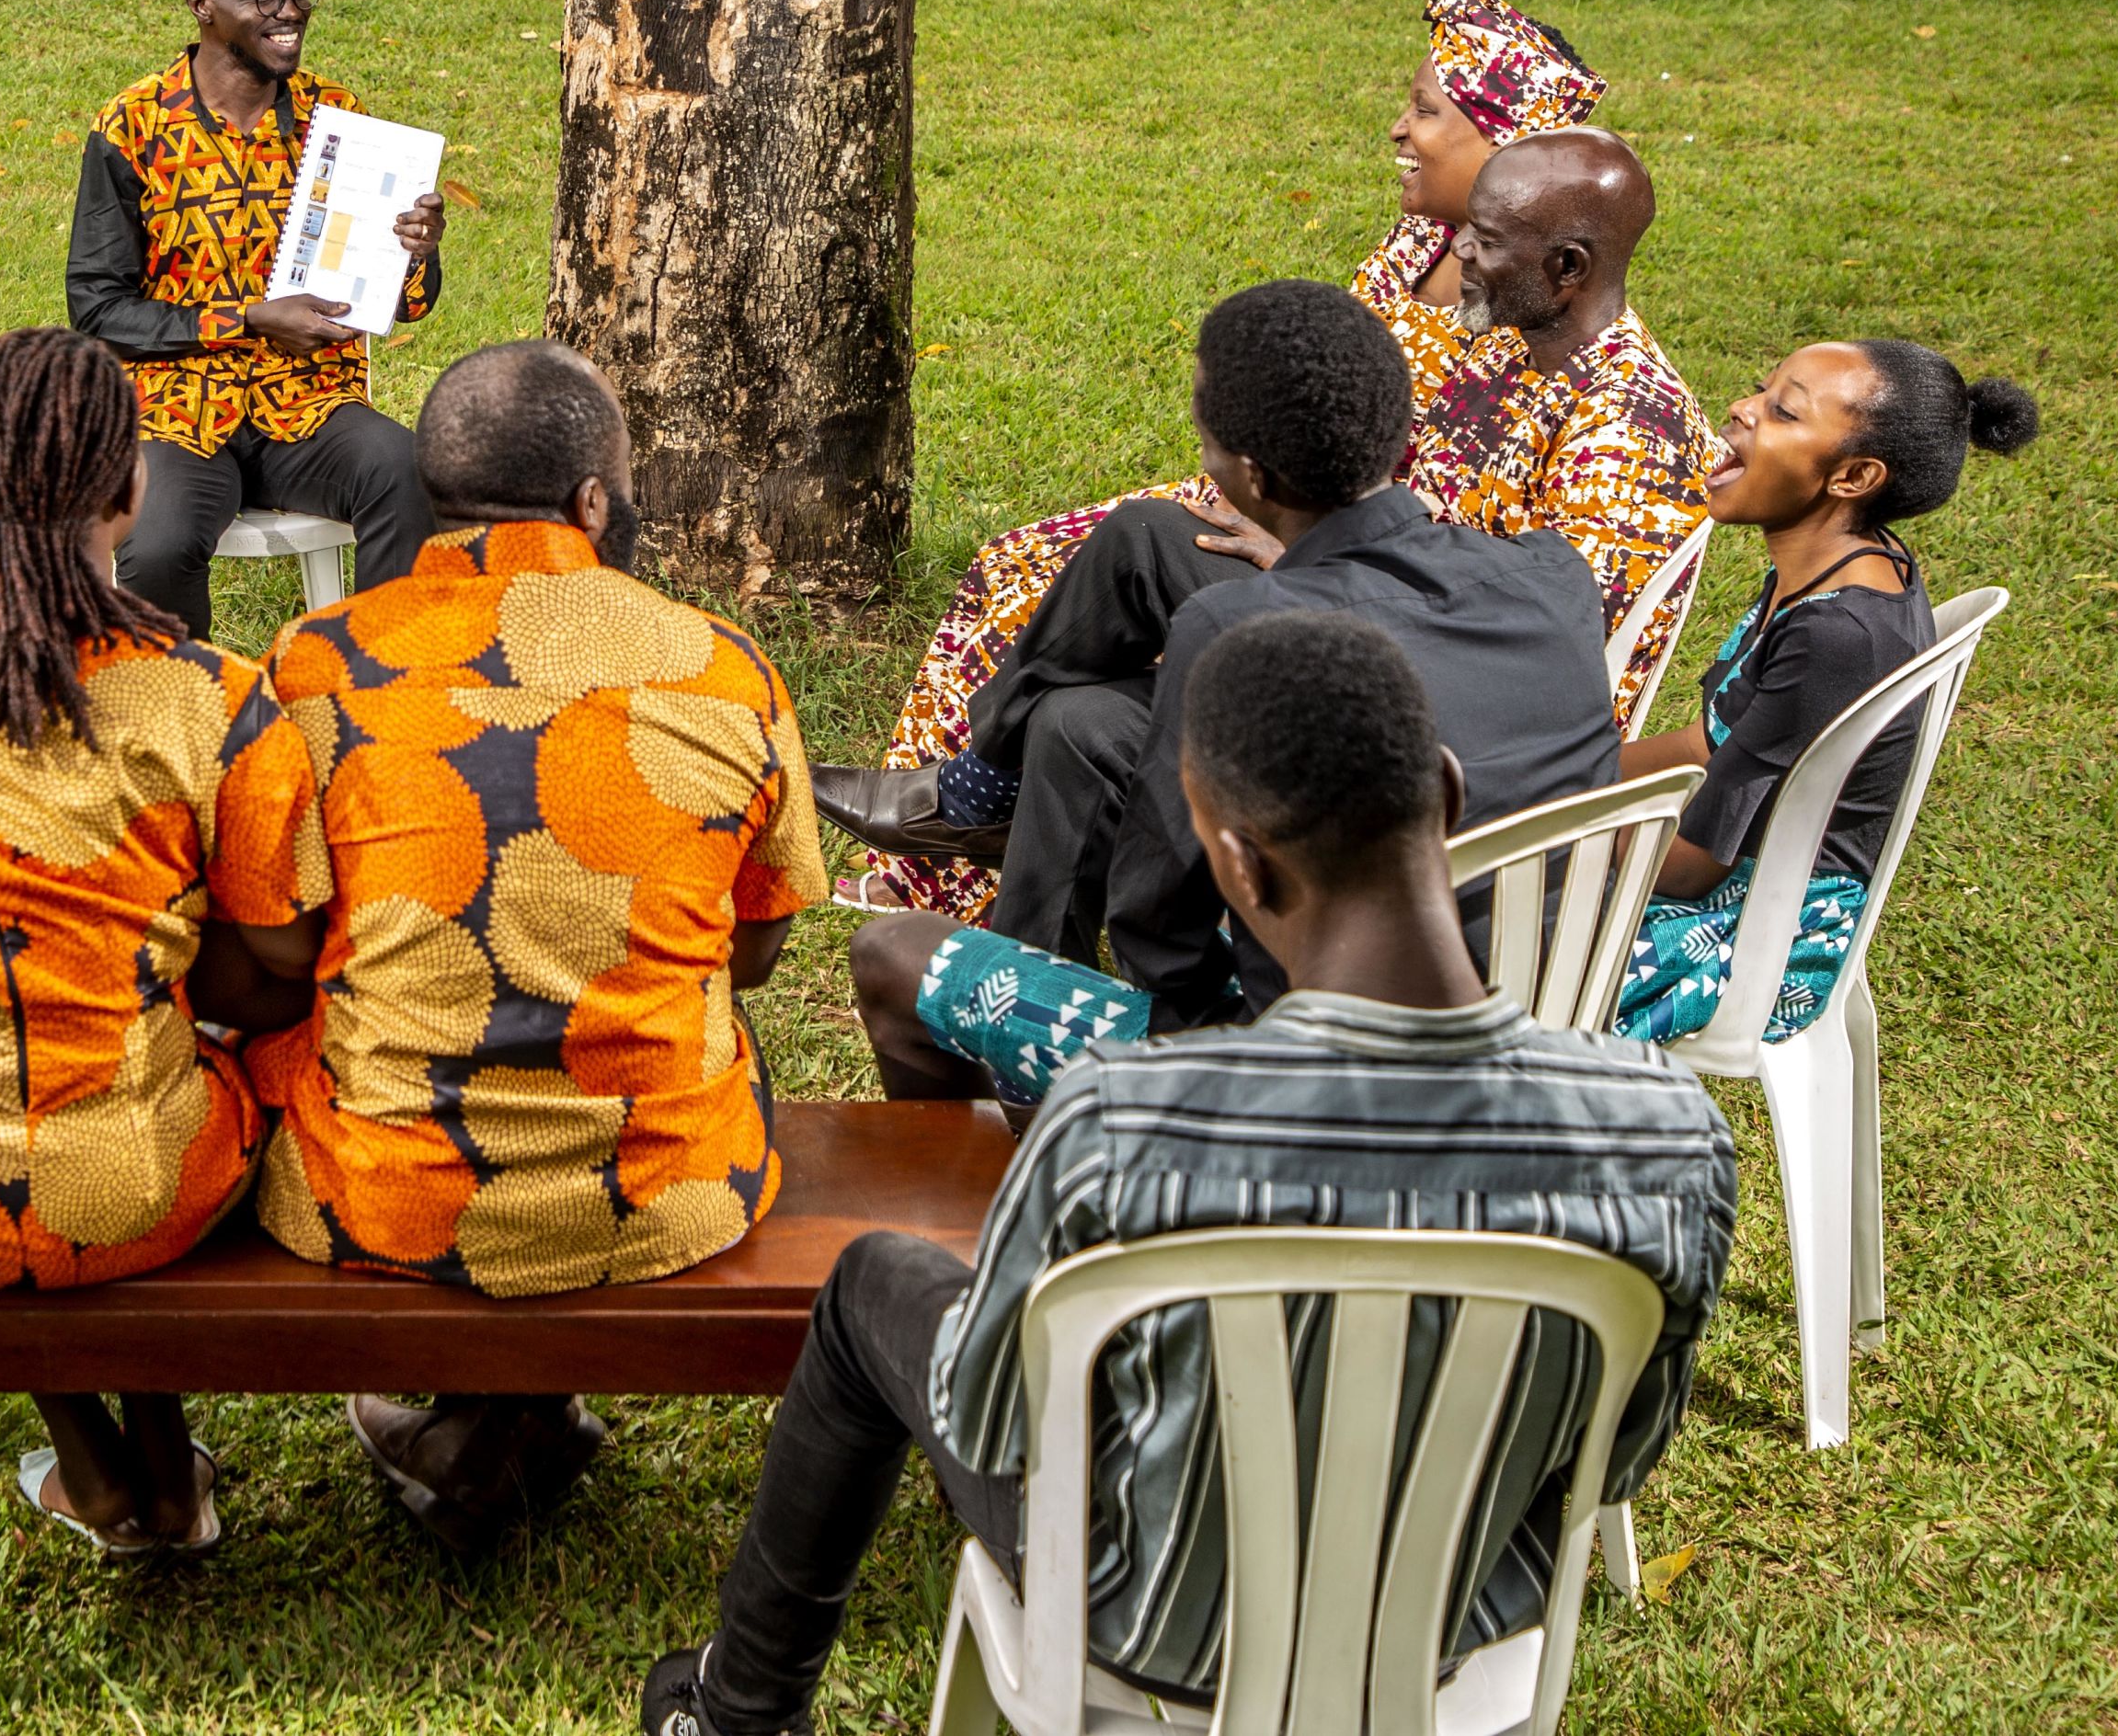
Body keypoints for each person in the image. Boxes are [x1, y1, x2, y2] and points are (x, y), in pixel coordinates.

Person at [636, 611, 1739, 1736]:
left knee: (875, 1279)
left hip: (1142, 1622)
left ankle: (738, 1713)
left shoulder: (1122, 1121)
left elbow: (992, 1417)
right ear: (1449, 798)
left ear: (1235, 863)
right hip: (1452, 1630)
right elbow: (1607, 1464)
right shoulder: (1666, 1134)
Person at [237, 339, 830, 1547]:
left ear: (433, 484)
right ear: (593, 501)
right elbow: (752, 951)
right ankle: (502, 1426)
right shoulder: (725, 666)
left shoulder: (315, 664)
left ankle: (486, 1432)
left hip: (388, 1189)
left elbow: (279, 945)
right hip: (664, 1183)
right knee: (676, 1016)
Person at [852, 0, 1606, 918]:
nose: (1397, 130)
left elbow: (1526, 594)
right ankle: (956, 841)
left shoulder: (1543, 332)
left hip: (1355, 568)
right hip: (1293, 497)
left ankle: (963, 831)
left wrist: (1302, 546)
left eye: (1425, 110)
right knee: (1021, 569)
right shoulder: (1419, 243)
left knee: (1114, 578)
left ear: (1505, 150)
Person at [0, 327, 325, 1557]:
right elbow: (286, 953)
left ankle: (102, 1470)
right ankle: (162, 1471)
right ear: (132, 489)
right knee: (198, 1064)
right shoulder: (217, 699)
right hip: (147, 1192)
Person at [845, 281, 1620, 1112]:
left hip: (1286, 1076)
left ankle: (1030, 1145)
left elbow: (1156, 926)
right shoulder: (1554, 576)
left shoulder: (1233, 624)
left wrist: (1196, 1016)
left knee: (894, 951)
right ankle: (1014, 918)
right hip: (1534, 1014)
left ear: (1251, 475)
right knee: (1079, 721)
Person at [1613, 341, 2036, 1044]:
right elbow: (1706, 741)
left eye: (1782, 411)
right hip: (1733, 886)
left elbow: (1689, 867)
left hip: (1763, 934)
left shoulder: (1837, 637)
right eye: (1760, 390)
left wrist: (1542, 833)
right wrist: (1554, 772)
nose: (1741, 410)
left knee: (1452, 921)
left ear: (1854, 476)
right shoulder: (1830, 565)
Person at [67, 0, 447, 644]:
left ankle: (383, 688)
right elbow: (98, 308)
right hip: (177, 413)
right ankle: (188, 722)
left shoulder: (337, 118)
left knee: (407, 472)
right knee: (160, 543)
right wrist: (246, 319)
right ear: (203, 5)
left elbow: (404, 304)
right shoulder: (133, 127)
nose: (290, 13)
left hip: (307, 406)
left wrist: (418, 253)